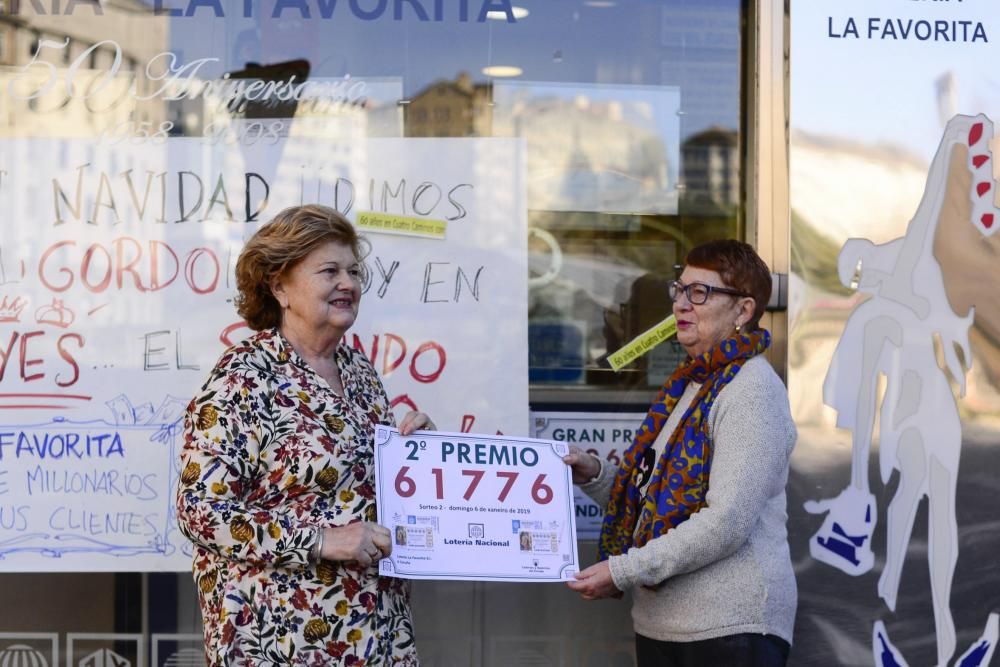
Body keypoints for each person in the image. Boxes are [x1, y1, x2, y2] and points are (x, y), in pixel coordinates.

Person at [176, 204, 433, 666]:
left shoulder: (357, 371)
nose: (348, 284)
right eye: (329, 271)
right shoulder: (244, 378)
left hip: (374, 630)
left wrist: (420, 453)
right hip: (280, 638)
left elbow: (356, 484)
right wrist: (320, 540)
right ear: (279, 286)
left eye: (354, 271)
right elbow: (201, 512)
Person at [564, 239, 797, 667]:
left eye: (701, 292)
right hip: (664, 626)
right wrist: (594, 474)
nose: (681, 304)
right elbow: (652, 498)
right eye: (680, 289)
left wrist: (623, 570)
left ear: (744, 311)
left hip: (729, 630)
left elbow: (726, 522)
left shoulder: (750, 391)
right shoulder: (691, 385)